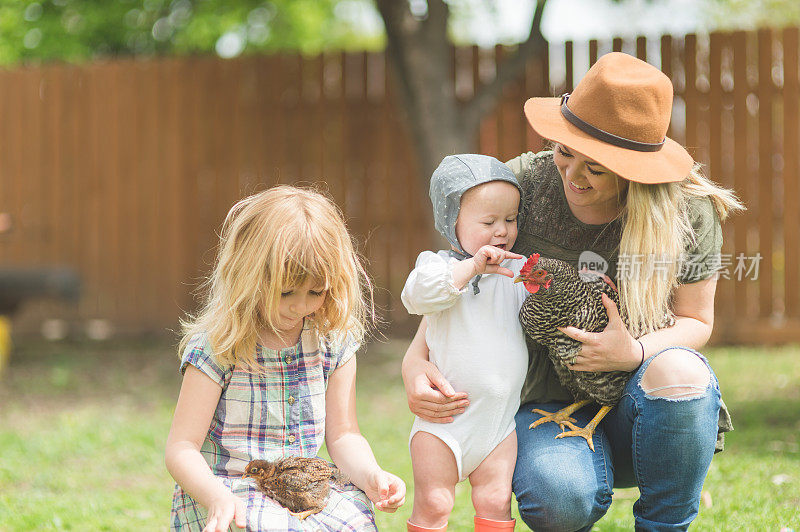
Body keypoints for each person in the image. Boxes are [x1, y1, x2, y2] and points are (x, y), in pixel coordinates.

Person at [401, 52, 743, 531]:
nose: (572, 176)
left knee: (680, 369)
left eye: (596, 168)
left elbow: (697, 322)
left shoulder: (686, 212)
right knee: (559, 499)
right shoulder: (522, 185)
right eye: (565, 152)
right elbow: (461, 275)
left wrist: (634, 351)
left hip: (644, 409)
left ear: (635, 169)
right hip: (547, 402)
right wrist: (415, 362)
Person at [165, 185, 405, 531]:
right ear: (248, 276)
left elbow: (344, 436)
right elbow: (181, 448)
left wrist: (371, 474)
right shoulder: (219, 347)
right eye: (286, 292)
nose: (301, 306)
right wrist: (216, 496)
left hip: (300, 490)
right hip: (228, 490)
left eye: (316, 291)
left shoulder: (332, 343)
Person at [402, 155, 529, 532]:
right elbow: (417, 297)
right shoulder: (439, 268)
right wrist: (472, 267)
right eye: (488, 222)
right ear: (450, 221)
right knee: (435, 502)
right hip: (445, 422)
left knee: (495, 499)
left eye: (511, 219)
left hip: (498, 423)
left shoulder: (517, 272)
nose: (502, 231)